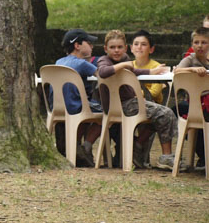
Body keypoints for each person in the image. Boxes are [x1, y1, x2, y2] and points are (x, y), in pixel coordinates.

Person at [96, 30, 179, 170]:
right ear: (105, 49)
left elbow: (134, 71)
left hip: (132, 103)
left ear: (125, 48)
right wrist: (124, 65)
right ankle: (166, 157)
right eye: (112, 47)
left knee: (162, 115)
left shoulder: (125, 59)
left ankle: (138, 146)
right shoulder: (104, 60)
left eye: (120, 47)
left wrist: (151, 72)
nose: (116, 50)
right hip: (120, 106)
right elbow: (103, 72)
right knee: (166, 113)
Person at [55, 29, 102, 167]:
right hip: (76, 107)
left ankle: (76, 145)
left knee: (90, 105)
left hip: (57, 108)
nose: (92, 46)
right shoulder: (82, 63)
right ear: (77, 45)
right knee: (109, 111)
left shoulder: (59, 62)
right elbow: (102, 76)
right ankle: (86, 146)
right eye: (89, 43)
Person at [172, 26, 209, 170]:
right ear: (192, 44)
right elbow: (177, 70)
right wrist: (192, 70)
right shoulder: (190, 59)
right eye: (196, 42)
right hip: (195, 105)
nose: (199, 46)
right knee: (177, 111)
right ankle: (203, 155)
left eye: (204, 42)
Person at [131, 30, 166, 104]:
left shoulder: (157, 67)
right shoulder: (129, 66)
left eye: (143, 44)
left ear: (151, 49)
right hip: (132, 103)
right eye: (136, 44)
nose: (139, 47)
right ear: (131, 48)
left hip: (153, 105)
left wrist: (132, 93)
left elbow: (154, 93)